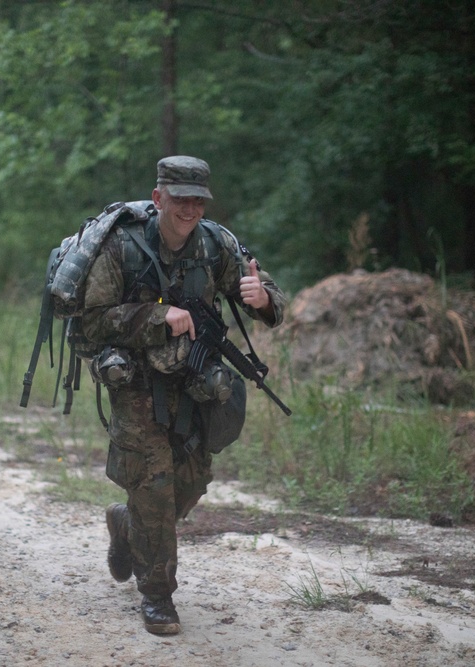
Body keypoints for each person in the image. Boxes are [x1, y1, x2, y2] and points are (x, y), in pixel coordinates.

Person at [80, 155, 287, 635]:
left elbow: (265, 289)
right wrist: (157, 317)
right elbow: (90, 321)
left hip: (192, 380)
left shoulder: (215, 245)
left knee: (191, 481)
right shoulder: (121, 247)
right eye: (179, 200)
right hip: (133, 381)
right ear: (159, 199)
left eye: (198, 200)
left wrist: (265, 299)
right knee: (154, 487)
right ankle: (158, 597)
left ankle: (127, 526)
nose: (189, 210)